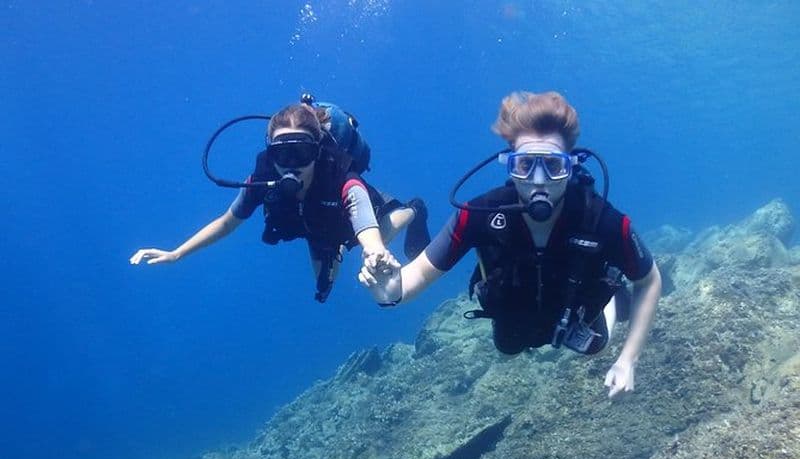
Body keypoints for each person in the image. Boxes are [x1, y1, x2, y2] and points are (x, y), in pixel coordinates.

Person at [359, 91, 661, 397]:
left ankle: (611, 298)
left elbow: (649, 281)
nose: (539, 180)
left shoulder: (601, 219)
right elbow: (420, 274)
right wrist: (390, 290)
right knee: (507, 346)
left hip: (575, 308)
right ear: (509, 165)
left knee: (596, 346)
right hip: (516, 311)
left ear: (570, 166)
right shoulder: (478, 215)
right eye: (525, 165)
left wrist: (628, 360)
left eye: (553, 166)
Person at [130, 101, 430, 302]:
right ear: (270, 154)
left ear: (317, 151)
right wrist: (177, 253)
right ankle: (333, 248)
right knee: (323, 288)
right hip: (315, 225)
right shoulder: (261, 180)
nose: (291, 165)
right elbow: (226, 223)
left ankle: (414, 210)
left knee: (370, 242)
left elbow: (365, 224)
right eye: (281, 154)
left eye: (301, 153)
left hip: (345, 217)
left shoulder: (340, 177)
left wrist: (375, 251)